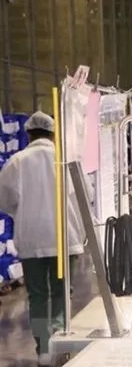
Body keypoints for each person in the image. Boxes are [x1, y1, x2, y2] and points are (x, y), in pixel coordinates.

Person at [0, 111, 85, 366]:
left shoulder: (17, 161)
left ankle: (44, 350)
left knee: (37, 296)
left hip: (32, 238)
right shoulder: (66, 159)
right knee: (61, 293)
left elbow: (4, 200)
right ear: (53, 133)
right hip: (65, 238)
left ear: (28, 134)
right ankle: (60, 344)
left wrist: (24, 212)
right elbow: (84, 195)